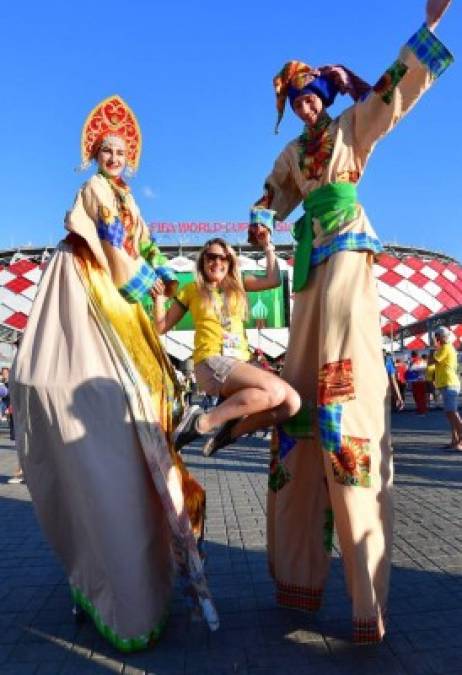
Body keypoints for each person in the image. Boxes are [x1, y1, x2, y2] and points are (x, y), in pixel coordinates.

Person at [248, 0, 453, 643]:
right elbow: (271, 194)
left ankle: (367, 599)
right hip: (307, 265)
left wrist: (431, 29)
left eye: (312, 98)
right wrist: (260, 218)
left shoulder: (349, 132)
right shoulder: (291, 154)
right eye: (300, 102)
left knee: (339, 374)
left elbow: (393, 94)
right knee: (301, 387)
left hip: (344, 250)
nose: (309, 108)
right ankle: (300, 578)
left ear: (323, 96)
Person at [10, 95, 218, 651]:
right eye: (105, 150)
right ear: (93, 156)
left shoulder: (128, 198)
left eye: (121, 151)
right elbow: (113, 246)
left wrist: (172, 283)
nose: (113, 157)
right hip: (95, 287)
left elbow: (141, 245)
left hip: (121, 298)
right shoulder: (97, 194)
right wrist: (147, 282)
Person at [152, 236, 301, 457]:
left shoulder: (238, 285)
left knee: (291, 404)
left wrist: (268, 247)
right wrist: (159, 300)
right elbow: (160, 327)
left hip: (240, 361)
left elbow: (273, 280)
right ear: (203, 261)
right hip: (211, 361)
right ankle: (202, 422)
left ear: (230, 262)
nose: (217, 262)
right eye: (211, 257)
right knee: (276, 390)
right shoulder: (191, 290)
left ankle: (229, 433)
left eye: (224, 258)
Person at [430, 326, 462, 450]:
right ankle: (455, 440)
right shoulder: (446, 347)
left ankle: (459, 441)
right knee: (450, 414)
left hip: (449, 383)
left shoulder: (445, 347)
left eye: (437, 336)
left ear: (442, 336)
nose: (436, 338)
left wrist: (434, 346)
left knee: (452, 413)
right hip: (447, 384)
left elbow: (432, 360)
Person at [407, 351, 428, 415]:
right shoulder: (423, 361)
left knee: (418, 396)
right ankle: (422, 410)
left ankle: (421, 411)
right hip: (423, 380)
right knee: (422, 396)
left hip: (416, 381)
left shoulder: (414, 361)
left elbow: (410, 370)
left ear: (413, 355)